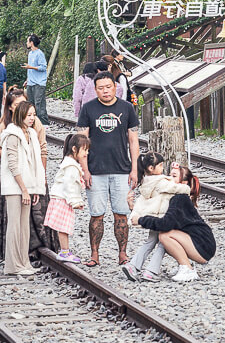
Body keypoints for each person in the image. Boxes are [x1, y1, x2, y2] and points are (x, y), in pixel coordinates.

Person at [77, 71, 140, 267]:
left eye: (108, 87)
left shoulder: (127, 108)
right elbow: (81, 142)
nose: (105, 91)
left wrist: (135, 169)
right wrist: (84, 170)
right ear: (95, 90)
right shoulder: (87, 109)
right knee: (96, 214)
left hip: (122, 169)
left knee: (121, 214)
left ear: (115, 87)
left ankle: (123, 253)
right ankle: (94, 254)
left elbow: (133, 141)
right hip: (95, 170)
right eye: (101, 88)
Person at [0, 87, 51, 260]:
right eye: (16, 105)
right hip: (14, 177)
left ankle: (31, 252)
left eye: (23, 104)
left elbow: (43, 149)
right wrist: (12, 154)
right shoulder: (6, 125)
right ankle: (14, 258)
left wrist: (42, 176)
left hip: (33, 176)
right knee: (15, 221)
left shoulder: (34, 125)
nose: (20, 108)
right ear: (10, 107)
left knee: (34, 216)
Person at [136, 166, 215, 282]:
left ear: (183, 182)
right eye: (169, 175)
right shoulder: (173, 196)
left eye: (174, 176)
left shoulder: (179, 198)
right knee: (166, 236)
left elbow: (165, 224)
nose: (168, 178)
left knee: (164, 236)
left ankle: (187, 269)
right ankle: (183, 265)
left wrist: (140, 220)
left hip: (203, 245)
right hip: (199, 243)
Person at [123, 152, 191, 282]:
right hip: (161, 217)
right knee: (162, 244)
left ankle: (133, 266)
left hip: (153, 216)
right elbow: (175, 188)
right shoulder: (160, 182)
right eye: (160, 165)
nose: (162, 168)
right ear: (151, 168)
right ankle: (151, 271)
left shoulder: (146, 181)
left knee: (150, 242)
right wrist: (187, 188)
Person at [0, 101, 47, 275]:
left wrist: (34, 188)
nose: (32, 118)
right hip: (15, 187)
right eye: (29, 115)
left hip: (27, 185)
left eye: (34, 115)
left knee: (24, 226)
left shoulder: (31, 134)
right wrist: (24, 189)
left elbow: (35, 164)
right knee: (14, 225)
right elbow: (13, 164)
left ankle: (24, 261)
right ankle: (13, 265)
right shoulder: (12, 134)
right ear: (20, 115)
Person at [43, 132, 90, 263]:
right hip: (63, 199)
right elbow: (69, 186)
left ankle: (65, 250)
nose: (86, 153)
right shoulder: (71, 167)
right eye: (84, 150)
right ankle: (64, 252)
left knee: (64, 227)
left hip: (61, 198)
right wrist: (75, 202)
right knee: (64, 227)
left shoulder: (70, 164)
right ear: (74, 149)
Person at [23, 34, 48, 125]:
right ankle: (33, 123)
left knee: (39, 104)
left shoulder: (39, 53)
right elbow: (30, 69)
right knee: (30, 104)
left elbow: (43, 67)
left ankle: (44, 123)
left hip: (39, 82)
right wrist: (27, 80)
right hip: (31, 82)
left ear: (31, 43)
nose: (26, 43)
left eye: (27, 41)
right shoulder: (30, 54)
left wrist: (31, 67)